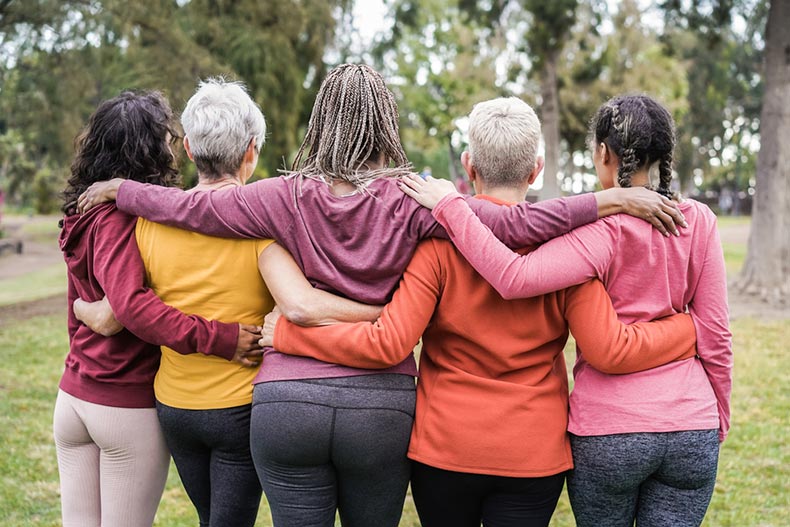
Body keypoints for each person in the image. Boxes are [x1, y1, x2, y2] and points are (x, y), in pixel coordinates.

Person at [75, 65, 685, 527]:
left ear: (321, 122)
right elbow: (514, 226)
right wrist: (611, 199)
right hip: (382, 405)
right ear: (384, 122)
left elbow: (188, 208)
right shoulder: (412, 197)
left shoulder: (283, 195)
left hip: (288, 397)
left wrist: (121, 188)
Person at [257, 97, 700, 527]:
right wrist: (687, 329)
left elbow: (389, 341)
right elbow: (608, 344)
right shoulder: (565, 252)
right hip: (533, 453)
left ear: (468, 167)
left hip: (446, 450)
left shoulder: (435, 249)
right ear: (536, 170)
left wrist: (289, 336)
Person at [400, 94, 732, 527]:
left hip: (595, 432)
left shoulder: (594, 233)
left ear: (601, 153)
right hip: (683, 423)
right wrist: (716, 413)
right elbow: (718, 334)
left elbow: (515, 278)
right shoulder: (700, 221)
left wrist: (449, 207)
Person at [73, 79, 383, 527]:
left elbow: (124, 305)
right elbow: (302, 302)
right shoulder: (262, 233)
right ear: (252, 151)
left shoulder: (146, 225)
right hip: (239, 407)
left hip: (174, 406)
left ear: (191, 152)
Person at [55, 91, 262, 527]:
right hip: (121, 400)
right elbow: (125, 307)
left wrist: (85, 310)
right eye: (166, 139)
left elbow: (101, 301)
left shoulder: (85, 211)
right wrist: (220, 337)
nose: (172, 148)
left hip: (75, 395)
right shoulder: (127, 220)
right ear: (150, 149)